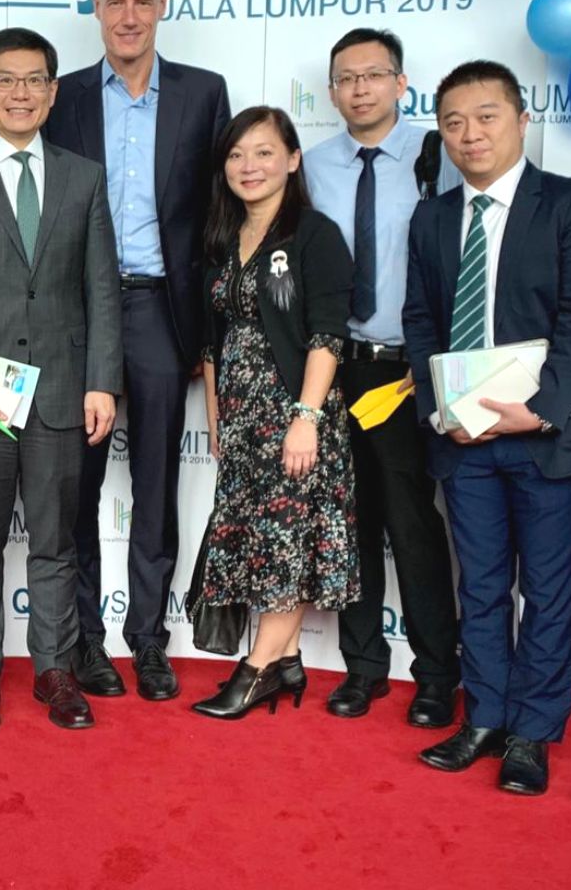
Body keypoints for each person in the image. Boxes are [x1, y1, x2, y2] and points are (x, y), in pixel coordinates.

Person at [401, 60, 571, 797]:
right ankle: (486, 716)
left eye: (486, 117)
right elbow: (421, 322)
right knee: (483, 587)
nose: (471, 134)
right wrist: (444, 411)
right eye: (454, 122)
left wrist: (541, 409)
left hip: (547, 437)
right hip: (465, 441)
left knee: (549, 594)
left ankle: (533, 733)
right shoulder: (432, 219)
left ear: (522, 121)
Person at [0, 27, 122, 733]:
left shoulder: (83, 177)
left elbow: (101, 288)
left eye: (35, 80)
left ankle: (54, 670)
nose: (20, 93)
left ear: (53, 91)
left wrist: (102, 381)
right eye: (6, 79)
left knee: (56, 544)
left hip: (64, 392)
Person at [43, 0, 231, 701]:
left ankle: (148, 641)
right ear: (95, 7)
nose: (129, 17)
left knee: (155, 485)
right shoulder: (62, 95)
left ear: (162, 6)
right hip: (78, 314)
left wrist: (211, 329)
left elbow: (218, 216)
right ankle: (85, 642)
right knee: (75, 486)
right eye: (115, 2)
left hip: (161, 309)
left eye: (142, 2)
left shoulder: (203, 93)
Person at [303, 27, 461, 727]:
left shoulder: (439, 155)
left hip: (405, 371)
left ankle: (437, 675)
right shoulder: (312, 167)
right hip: (335, 367)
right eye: (346, 78)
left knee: (414, 526)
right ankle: (362, 666)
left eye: (373, 75)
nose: (359, 88)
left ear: (401, 83)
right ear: (332, 91)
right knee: (351, 523)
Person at [191, 106, 360, 719]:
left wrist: (305, 419)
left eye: (264, 152)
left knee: (288, 540)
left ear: (292, 159)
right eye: (236, 155)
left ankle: (256, 669)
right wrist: (216, 417)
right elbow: (213, 341)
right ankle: (287, 662)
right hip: (241, 422)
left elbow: (327, 335)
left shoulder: (314, 234)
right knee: (259, 540)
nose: (249, 166)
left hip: (294, 417)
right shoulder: (221, 237)